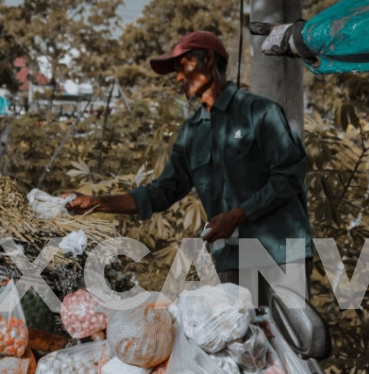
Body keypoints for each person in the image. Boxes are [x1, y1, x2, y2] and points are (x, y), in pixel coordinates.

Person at [66, 30, 313, 303]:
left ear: (208, 60)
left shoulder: (260, 112)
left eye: (183, 67)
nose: (179, 78)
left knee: (295, 341)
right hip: (232, 257)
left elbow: (289, 176)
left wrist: (238, 214)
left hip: (281, 251)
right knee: (241, 341)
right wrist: (96, 203)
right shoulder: (192, 133)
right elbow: (162, 192)